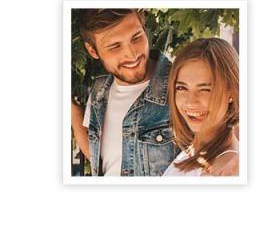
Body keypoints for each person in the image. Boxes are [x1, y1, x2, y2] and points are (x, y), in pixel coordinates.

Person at [70, 9, 177, 177]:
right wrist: (73, 111)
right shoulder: (99, 89)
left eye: (136, 37)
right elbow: (100, 156)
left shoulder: (180, 86)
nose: (132, 54)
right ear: (92, 51)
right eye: (115, 46)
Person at [163, 38, 240, 177]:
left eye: (205, 89)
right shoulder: (195, 150)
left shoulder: (224, 170)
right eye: (181, 88)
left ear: (231, 93)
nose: (191, 102)